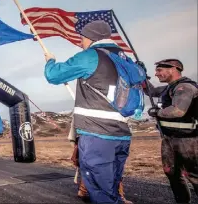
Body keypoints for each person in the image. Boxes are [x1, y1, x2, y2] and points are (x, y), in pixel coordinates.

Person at [44, 20, 138, 203]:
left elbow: (53, 75)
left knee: (101, 190)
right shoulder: (126, 59)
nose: (80, 42)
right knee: (113, 187)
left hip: (97, 135)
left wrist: (50, 61)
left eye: (82, 38)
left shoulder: (90, 56)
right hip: (122, 134)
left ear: (89, 38)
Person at [142, 59, 198, 203]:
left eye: (159, 70)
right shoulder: (168, 88)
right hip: (169, 139)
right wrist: (142, 77)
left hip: (188, 141)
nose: (156, 74)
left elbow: (178, 110)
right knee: (171, 173)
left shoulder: (185, 87)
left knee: (193, 176)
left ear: (173, 69)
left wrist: (157, 112)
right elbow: (152, 91)